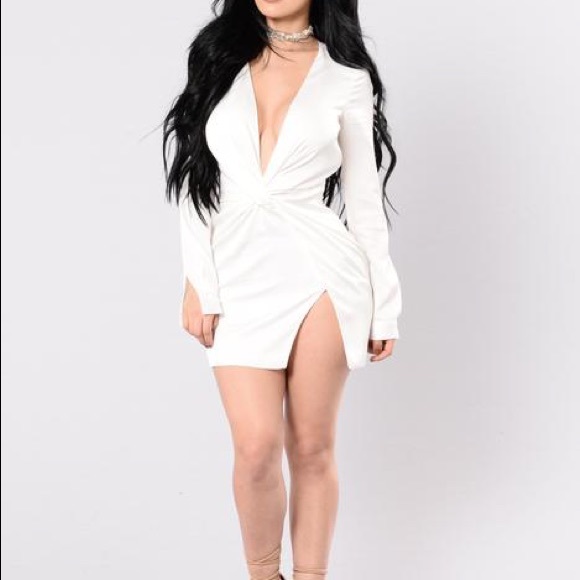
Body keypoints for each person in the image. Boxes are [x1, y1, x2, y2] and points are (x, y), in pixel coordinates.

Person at [162, 1, 402, 578]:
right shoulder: (219, 59)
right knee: (255, 450)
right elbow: (197, 184)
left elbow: (364, 203)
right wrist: (198, 282)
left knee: (312, 447)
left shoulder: (346, 79)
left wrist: (385, 309)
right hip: (236, 272)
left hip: (322, 272)